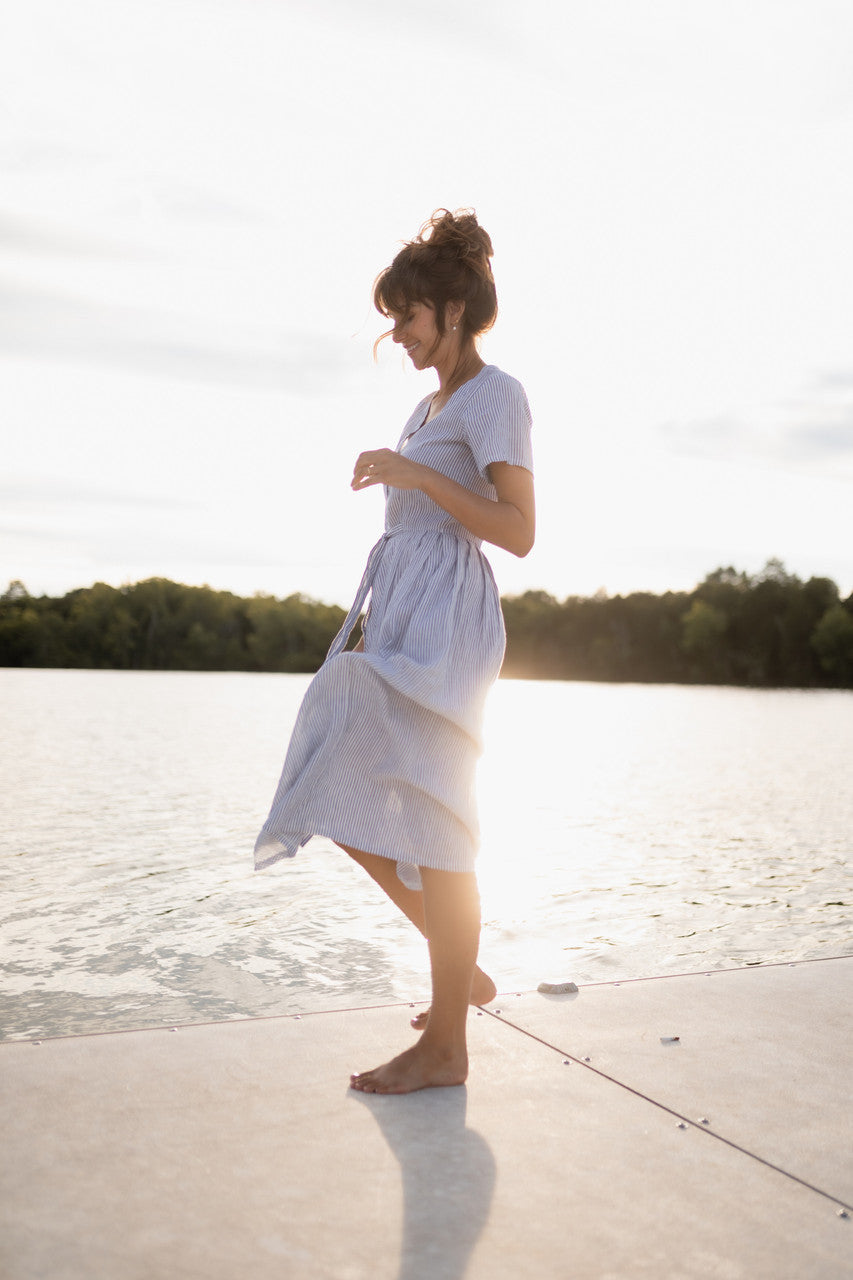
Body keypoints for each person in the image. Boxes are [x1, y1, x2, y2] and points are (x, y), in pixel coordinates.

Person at [254, 208, 535, 1094]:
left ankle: (447, 1044)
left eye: (408, 316)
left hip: (452, 622)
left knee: (443, 823)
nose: (399, 335)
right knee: (331, 760)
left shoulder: (498, 395)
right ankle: (458, 969)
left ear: (452, 309)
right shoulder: (427, 405)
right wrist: (377, 624)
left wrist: (417, 474)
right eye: (394, 318)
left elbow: (519, 532)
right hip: (404, 616)